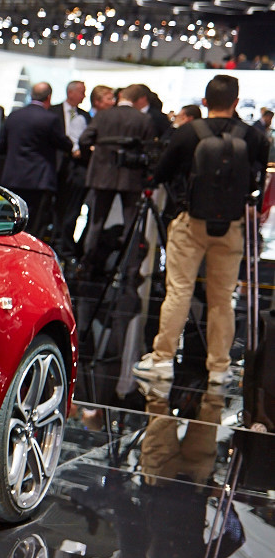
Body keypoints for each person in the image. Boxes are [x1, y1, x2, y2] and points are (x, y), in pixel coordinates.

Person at [135, 74, 268, 388]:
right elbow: (258, 183)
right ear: (236, 102)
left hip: (190, 222)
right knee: (222, 298)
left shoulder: (187, 133)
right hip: (232, 226)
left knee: (179, 291)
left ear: (205, 101)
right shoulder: (254, 137)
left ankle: (163, 359)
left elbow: (160, 173)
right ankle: (219, 367)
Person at [79, 82, 157, 266]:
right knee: (131, 225)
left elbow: (84, 139)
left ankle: (87, 264)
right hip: (131, 177)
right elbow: (150, 151)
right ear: (138, 100)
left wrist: (93, 157)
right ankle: (129, 268)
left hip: (102, 175)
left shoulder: (103, 115)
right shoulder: (143, 119)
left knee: (96, 222)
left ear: (121, 96)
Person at [0, 82, 72, 237]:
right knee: (34, 226)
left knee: (11, 221)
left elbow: (2, 145)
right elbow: (65, 144)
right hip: (39, 179)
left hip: (13, 177)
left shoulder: (14, 116)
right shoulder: (50, 119)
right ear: (49, 97)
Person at [52, 80, 92, 253]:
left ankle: (64, 243)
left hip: (76, 169)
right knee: (54, 207)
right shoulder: (52, 112)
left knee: (71, 208)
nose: (84, 96)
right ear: (71, 93)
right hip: (55, 166)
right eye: (82, 92)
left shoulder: (85, 116)